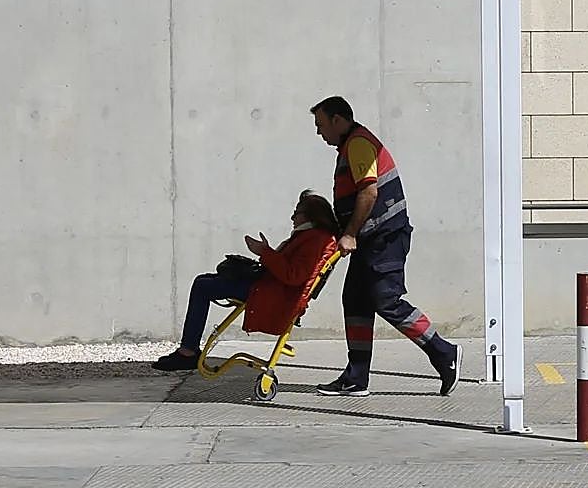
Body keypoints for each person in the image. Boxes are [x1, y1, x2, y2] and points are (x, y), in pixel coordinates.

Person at [309, 95, 461, 396]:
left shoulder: (359, 144)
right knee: (355, 301)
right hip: (371, 239)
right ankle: (356, 377)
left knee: (385, 299)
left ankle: (443, 352)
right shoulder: (350, 146)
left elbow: (369, 193)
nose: (319, 132)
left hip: (384, 239)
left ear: (338, 120)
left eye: (321, 124)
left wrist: (349, 233)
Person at [152, 190, 339, 371]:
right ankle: (188, 349)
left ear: (310, 216)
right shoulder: (311, 237)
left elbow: (294, 275)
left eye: (296, 213)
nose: (292, 218)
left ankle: (188, 351)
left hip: (272, 294)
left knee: (202, 286)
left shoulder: (315, 239)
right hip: (270, 288)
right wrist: (267, 253)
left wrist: (264, 252)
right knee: (204, 281)